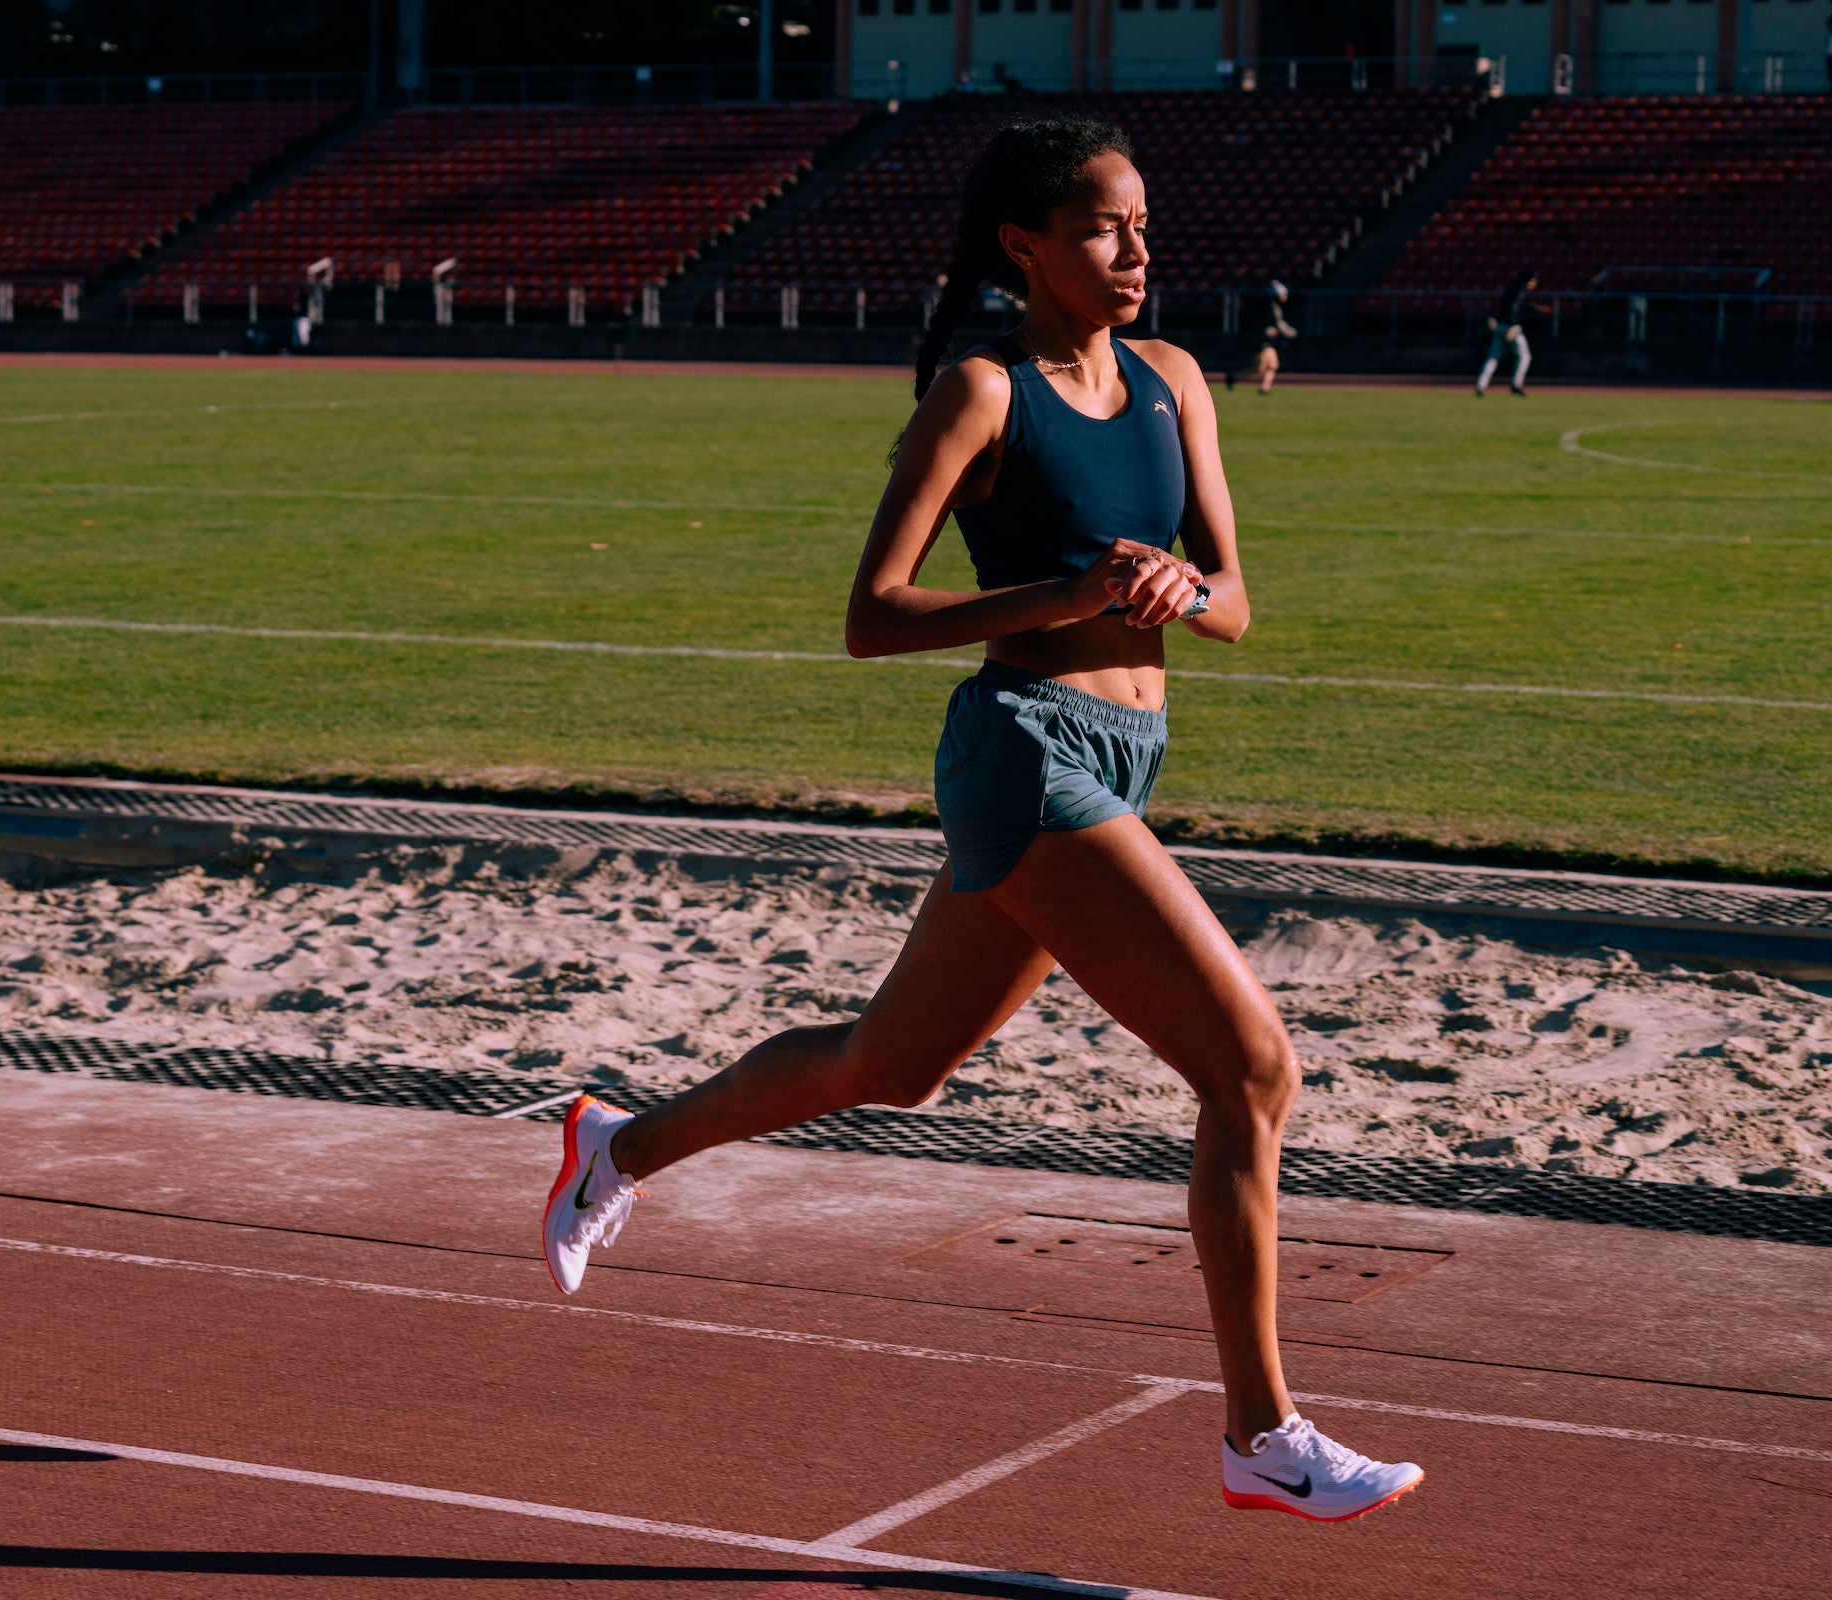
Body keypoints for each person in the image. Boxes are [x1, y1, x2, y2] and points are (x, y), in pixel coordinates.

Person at [540, 117, 1425, 1524]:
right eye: (1100, 231)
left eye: (1141, 226)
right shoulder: (980, 393)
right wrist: (1063, 598)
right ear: (1024, 246)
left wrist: (1187, 595)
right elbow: (869, 619)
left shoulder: (1176, 380)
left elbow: (1239, 600)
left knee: (894, 1064)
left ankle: (619, 1146)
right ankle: (1263, 1438)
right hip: (1025, 754)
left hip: (1128, 751)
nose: (1135, 252)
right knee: (1253, 1072)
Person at [1476, 269, 1537, 397]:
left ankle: (1481, 385)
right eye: (1533, 281)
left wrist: (1534, 308)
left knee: (1493, 358)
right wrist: (1513, 327)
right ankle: (1516, 384)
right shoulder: (1519, 290)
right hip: (1511, 327)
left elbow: (1515, 307)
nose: (1534, 284)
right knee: (1525, 356)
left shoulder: (1512, 289)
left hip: (1500, 326)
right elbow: (1513, 308)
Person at [1234, 279, 1297, 394]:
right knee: (1259, 370)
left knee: (1272, 366)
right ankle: (1233, 378)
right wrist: (1292, 333)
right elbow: (1280, 325)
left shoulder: (1271, 307)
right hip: (1263, 342)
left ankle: (1264, 388)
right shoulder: (1273, 308)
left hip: (1267, 342)